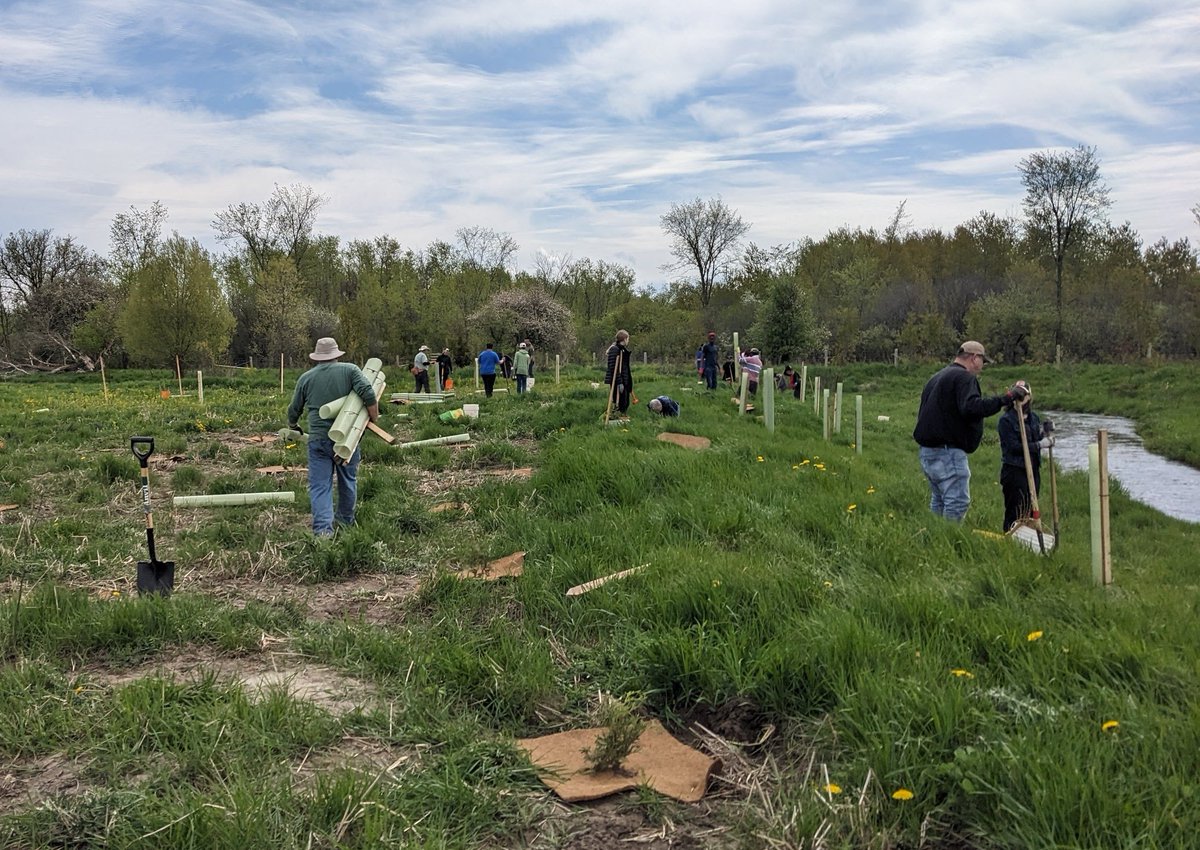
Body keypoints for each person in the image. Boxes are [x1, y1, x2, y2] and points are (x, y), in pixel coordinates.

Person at [913, 341, 1028, 522]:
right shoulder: (964, 378)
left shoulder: (937, 377)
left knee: (940, 500)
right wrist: (1008, 398)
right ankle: (948, 544)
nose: (982, 367)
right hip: (947, 452)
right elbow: (972, 407)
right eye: (983, 361)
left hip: (927, 451)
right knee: (957, 501)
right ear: (975, 358)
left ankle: (933, 540)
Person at [287, 337, 380, 537]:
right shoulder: (351, 370)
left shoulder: (306, 378)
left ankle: (323, 532)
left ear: (317, 357)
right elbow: (368, 393)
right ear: (336, 355)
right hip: (347, 438)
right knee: (347, 480)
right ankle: (345, 522)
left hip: (318, 440)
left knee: (320, 485)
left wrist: (292, 425)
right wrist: (372, 418)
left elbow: (294, 409)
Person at [997, 383, 1054, 532]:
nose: (1020, 398)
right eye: (1017, 394)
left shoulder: (1033, 418)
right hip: (1015, 470)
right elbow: (1013, 447)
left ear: (1029, 397)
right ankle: (1010, 536)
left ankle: (1028, 538)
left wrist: (1045, 434)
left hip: (1033, 469)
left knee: (1031, 507)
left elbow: (1036, 437)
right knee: (1015, 508)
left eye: (1023, 395)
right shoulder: (1006, 420)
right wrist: (1039, 445)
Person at [604, 329, 633, 418]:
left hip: (624, 378)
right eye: (627, 338)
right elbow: (614, 368)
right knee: (619, 401)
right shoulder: (615, 349)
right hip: (617, 380)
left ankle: (621, 416)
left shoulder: (622, 349)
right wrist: (619, 381)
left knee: (624, 401)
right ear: (624, 339)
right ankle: (616, 416)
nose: (628, 340)